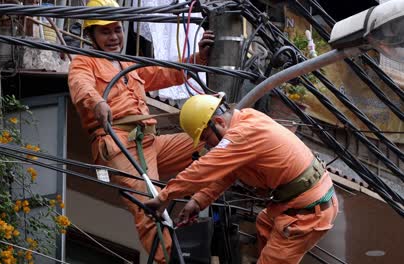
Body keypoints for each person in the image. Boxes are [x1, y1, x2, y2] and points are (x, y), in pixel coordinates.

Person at [67, 0, 214, 262]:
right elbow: (80, 86)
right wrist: (98, 102)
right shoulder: (84, 61)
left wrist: (198, 58)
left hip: (149, 142)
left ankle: (200, 202)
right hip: (118, 144)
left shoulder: (127, 64)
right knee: (148, 207)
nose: (114, 37)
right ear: (91, 35)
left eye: (117, 30)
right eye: (105, 31)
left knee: (210, 140)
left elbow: (165, 73)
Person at [144, 94, 339, 264]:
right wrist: (197, 201)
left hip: (306, 212)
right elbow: (229, 172)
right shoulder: (246, 119)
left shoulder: (243, 133)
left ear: (219, 122)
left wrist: (165, 196)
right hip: (297, 203)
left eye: (206, 137)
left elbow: (205, 168)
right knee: (264, 223)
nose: (207, 144)